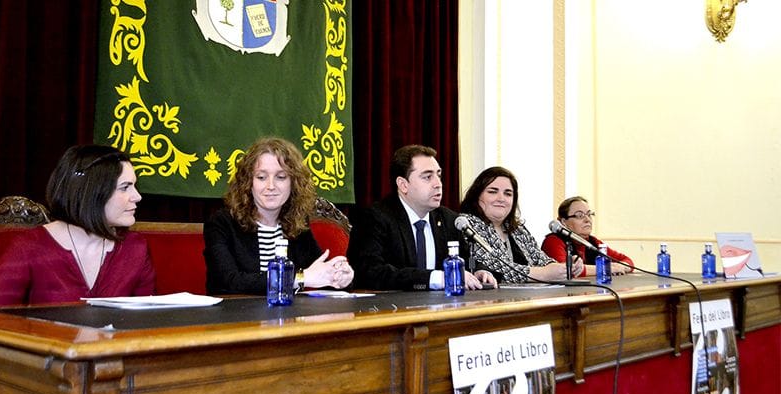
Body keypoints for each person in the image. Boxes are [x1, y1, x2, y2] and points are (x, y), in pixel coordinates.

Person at [0, 145, 155, 306]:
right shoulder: (29, 247)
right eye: (125, 187)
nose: (137, 196)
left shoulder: (135, 247)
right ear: (91, 193)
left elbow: (146, 319)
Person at [204, 137, 353, 295]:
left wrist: (341, 277)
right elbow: (232, 282)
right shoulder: (221, 223)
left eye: (281, 177)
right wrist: (301, 278)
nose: (271, 186)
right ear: (248, 183)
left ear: (293, 183)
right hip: (236, 316)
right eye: (261, 177)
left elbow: (321, 275)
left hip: (286, 317)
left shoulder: (297, 224)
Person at [347, 144, 496, 291]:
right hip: (392, 310)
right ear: (403, 185)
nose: (438, 184)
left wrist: (479, 271)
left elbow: (463, 258)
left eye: (439, 175)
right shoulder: (375, 218)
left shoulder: (448, 219)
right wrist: (436, 278)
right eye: (427, 177)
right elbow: (370, 272)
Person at [458, 166, 584, 283]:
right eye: (492, 192)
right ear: (477, 195)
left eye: (508, 193)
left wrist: (566, 267)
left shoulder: (518, 229)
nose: (501, 198)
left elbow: (542, 261)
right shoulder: (466, 224)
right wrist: (542, 274)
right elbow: (495, 268)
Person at [541, 196, 633, 276]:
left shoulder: (593, 242)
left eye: (589, 214)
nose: (587, 219)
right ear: (564, 222)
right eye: (580, 215)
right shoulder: (553, 241)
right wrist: (608, 268)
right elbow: (565, 270)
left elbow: (627, 261)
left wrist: (620, 267)